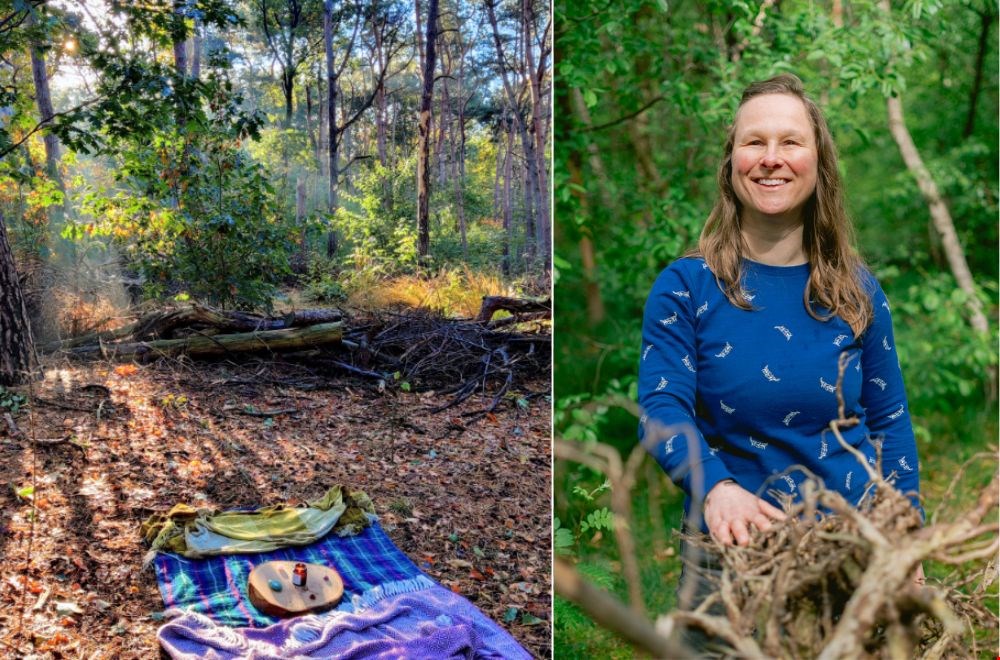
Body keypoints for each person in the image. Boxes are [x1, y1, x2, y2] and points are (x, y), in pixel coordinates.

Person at [636, 74, 923, 644]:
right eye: (754, 142)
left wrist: (906, 534)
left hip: (852, 548)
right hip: (733, 555)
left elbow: (890, 421)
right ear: (730, 163)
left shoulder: (857, 291)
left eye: (790, 142)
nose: (771, 159)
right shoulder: (687, 287)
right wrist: (714, 487)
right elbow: (660, 407)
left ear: (819, 164)